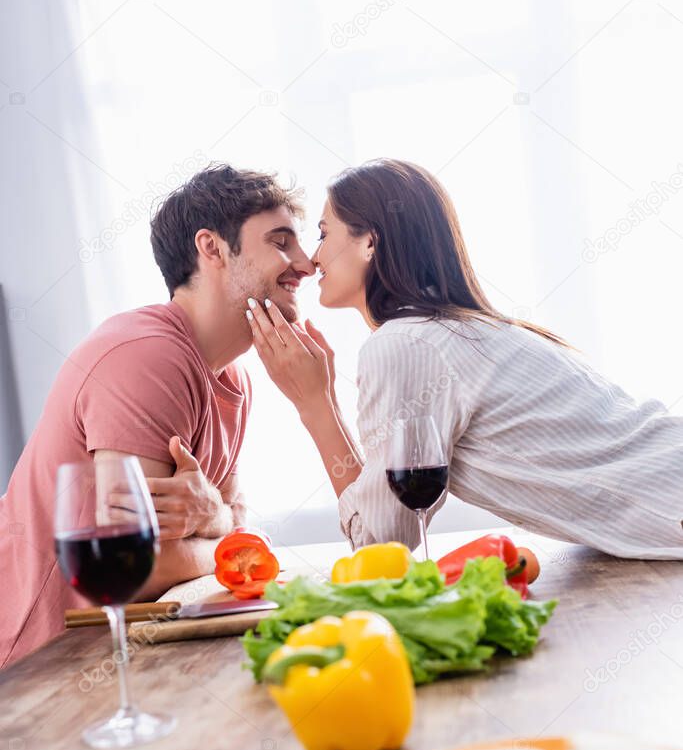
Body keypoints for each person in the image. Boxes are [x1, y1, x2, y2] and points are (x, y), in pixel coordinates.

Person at [248, 158, 683, 559]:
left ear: (370, 244)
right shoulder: (459, 331)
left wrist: (314, 404)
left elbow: (382, 544)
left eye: (324, 234)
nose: (311, 258)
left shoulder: (406, 344)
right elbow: (387, 512)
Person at [0, 163, 315, 666]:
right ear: (211, 248)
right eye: (281, 242)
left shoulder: (234, 377)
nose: (306, 263)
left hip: (122, 652)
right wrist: (222, 534)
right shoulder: (146, 356)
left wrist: (214, 521)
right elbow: (138, 567)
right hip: (39, 670)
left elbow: (228, 525)